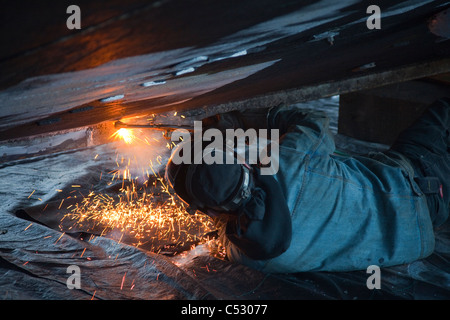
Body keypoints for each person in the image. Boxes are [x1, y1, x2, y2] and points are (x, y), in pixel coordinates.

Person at [165, 98, 450, 273]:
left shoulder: (246, 255)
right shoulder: (289, 159)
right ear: (242, 163)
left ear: (209, 213)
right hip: (417, 183)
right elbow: (312, 120)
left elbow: (225, 224)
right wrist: (239, 121)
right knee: (443, 109)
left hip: (417, 241)